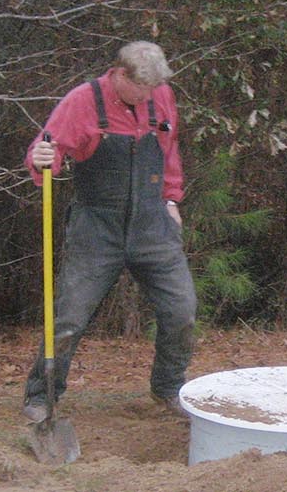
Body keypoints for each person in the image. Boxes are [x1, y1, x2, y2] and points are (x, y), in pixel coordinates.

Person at [21, 41, 197, 422]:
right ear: (118, 74)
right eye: (141, 89)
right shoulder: (81, 102)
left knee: (182, 311)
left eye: (153, 89)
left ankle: (168, 388)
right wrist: (41, 160)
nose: (148, 96)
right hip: (97, 228)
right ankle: (42, 396)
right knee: (69, 317)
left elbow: (169, 152)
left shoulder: (161, 96)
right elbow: (46, 152)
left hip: (153, 226)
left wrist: (171, 200)